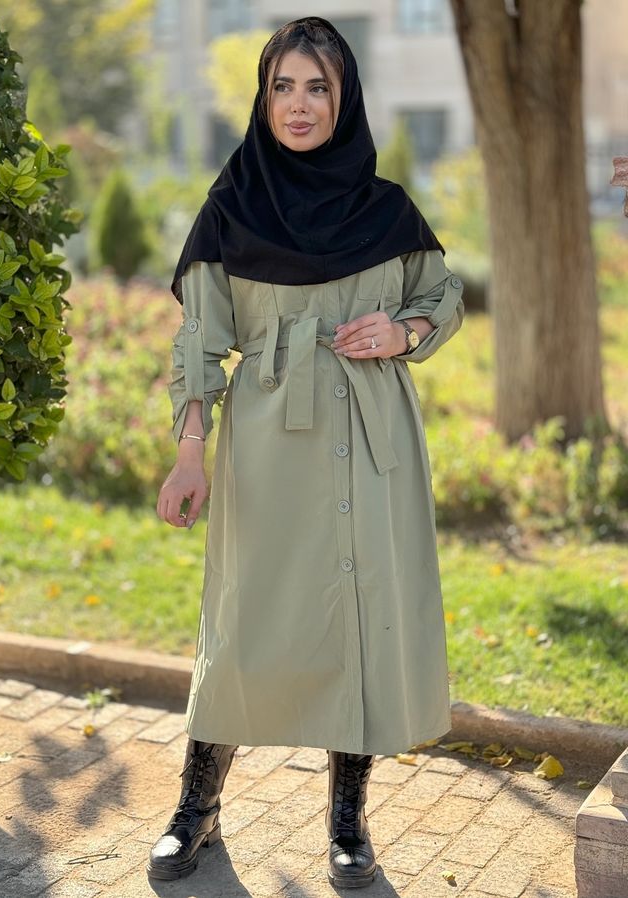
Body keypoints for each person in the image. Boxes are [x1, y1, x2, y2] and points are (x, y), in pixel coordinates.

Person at [148, 15, 465, 888]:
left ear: (344, 98)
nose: (298, 105)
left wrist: (402, 333)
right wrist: (189, 454)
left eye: (317, 87)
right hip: (268, 449)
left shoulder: (388, 210)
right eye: (282, 86)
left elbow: (442, 297)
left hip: (372, 440)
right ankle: (197, 807)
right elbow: (199, 343)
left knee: (358, 618)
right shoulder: (231, 210)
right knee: (242, 622)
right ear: (262, 98)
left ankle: (348, 822)